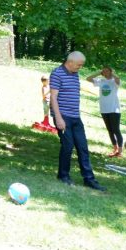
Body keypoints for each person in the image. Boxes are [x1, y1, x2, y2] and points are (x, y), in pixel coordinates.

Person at [49, 51, 105, 191]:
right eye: (79, 65)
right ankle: (63, 176)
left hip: (75, 117)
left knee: (83, 147)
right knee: (67, 146)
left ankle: (89, 179)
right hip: (63, 117)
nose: (80, 67)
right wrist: (58, 118)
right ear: (70, 62)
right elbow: (53, 98)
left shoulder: (75, 74)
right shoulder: (57, 73)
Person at [87, 66, 123, 157]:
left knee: (116, 130)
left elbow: (118, 79)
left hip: (114, 109)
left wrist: (112, 73)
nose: (105, 72)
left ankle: (120, 151)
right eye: (104, 71)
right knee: (110, 130)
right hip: (104, 109)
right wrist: (99, 73)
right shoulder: (101, 81)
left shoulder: (114, 81)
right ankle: (115, 149)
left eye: (107, 71)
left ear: (111, 72)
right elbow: (88, 78)